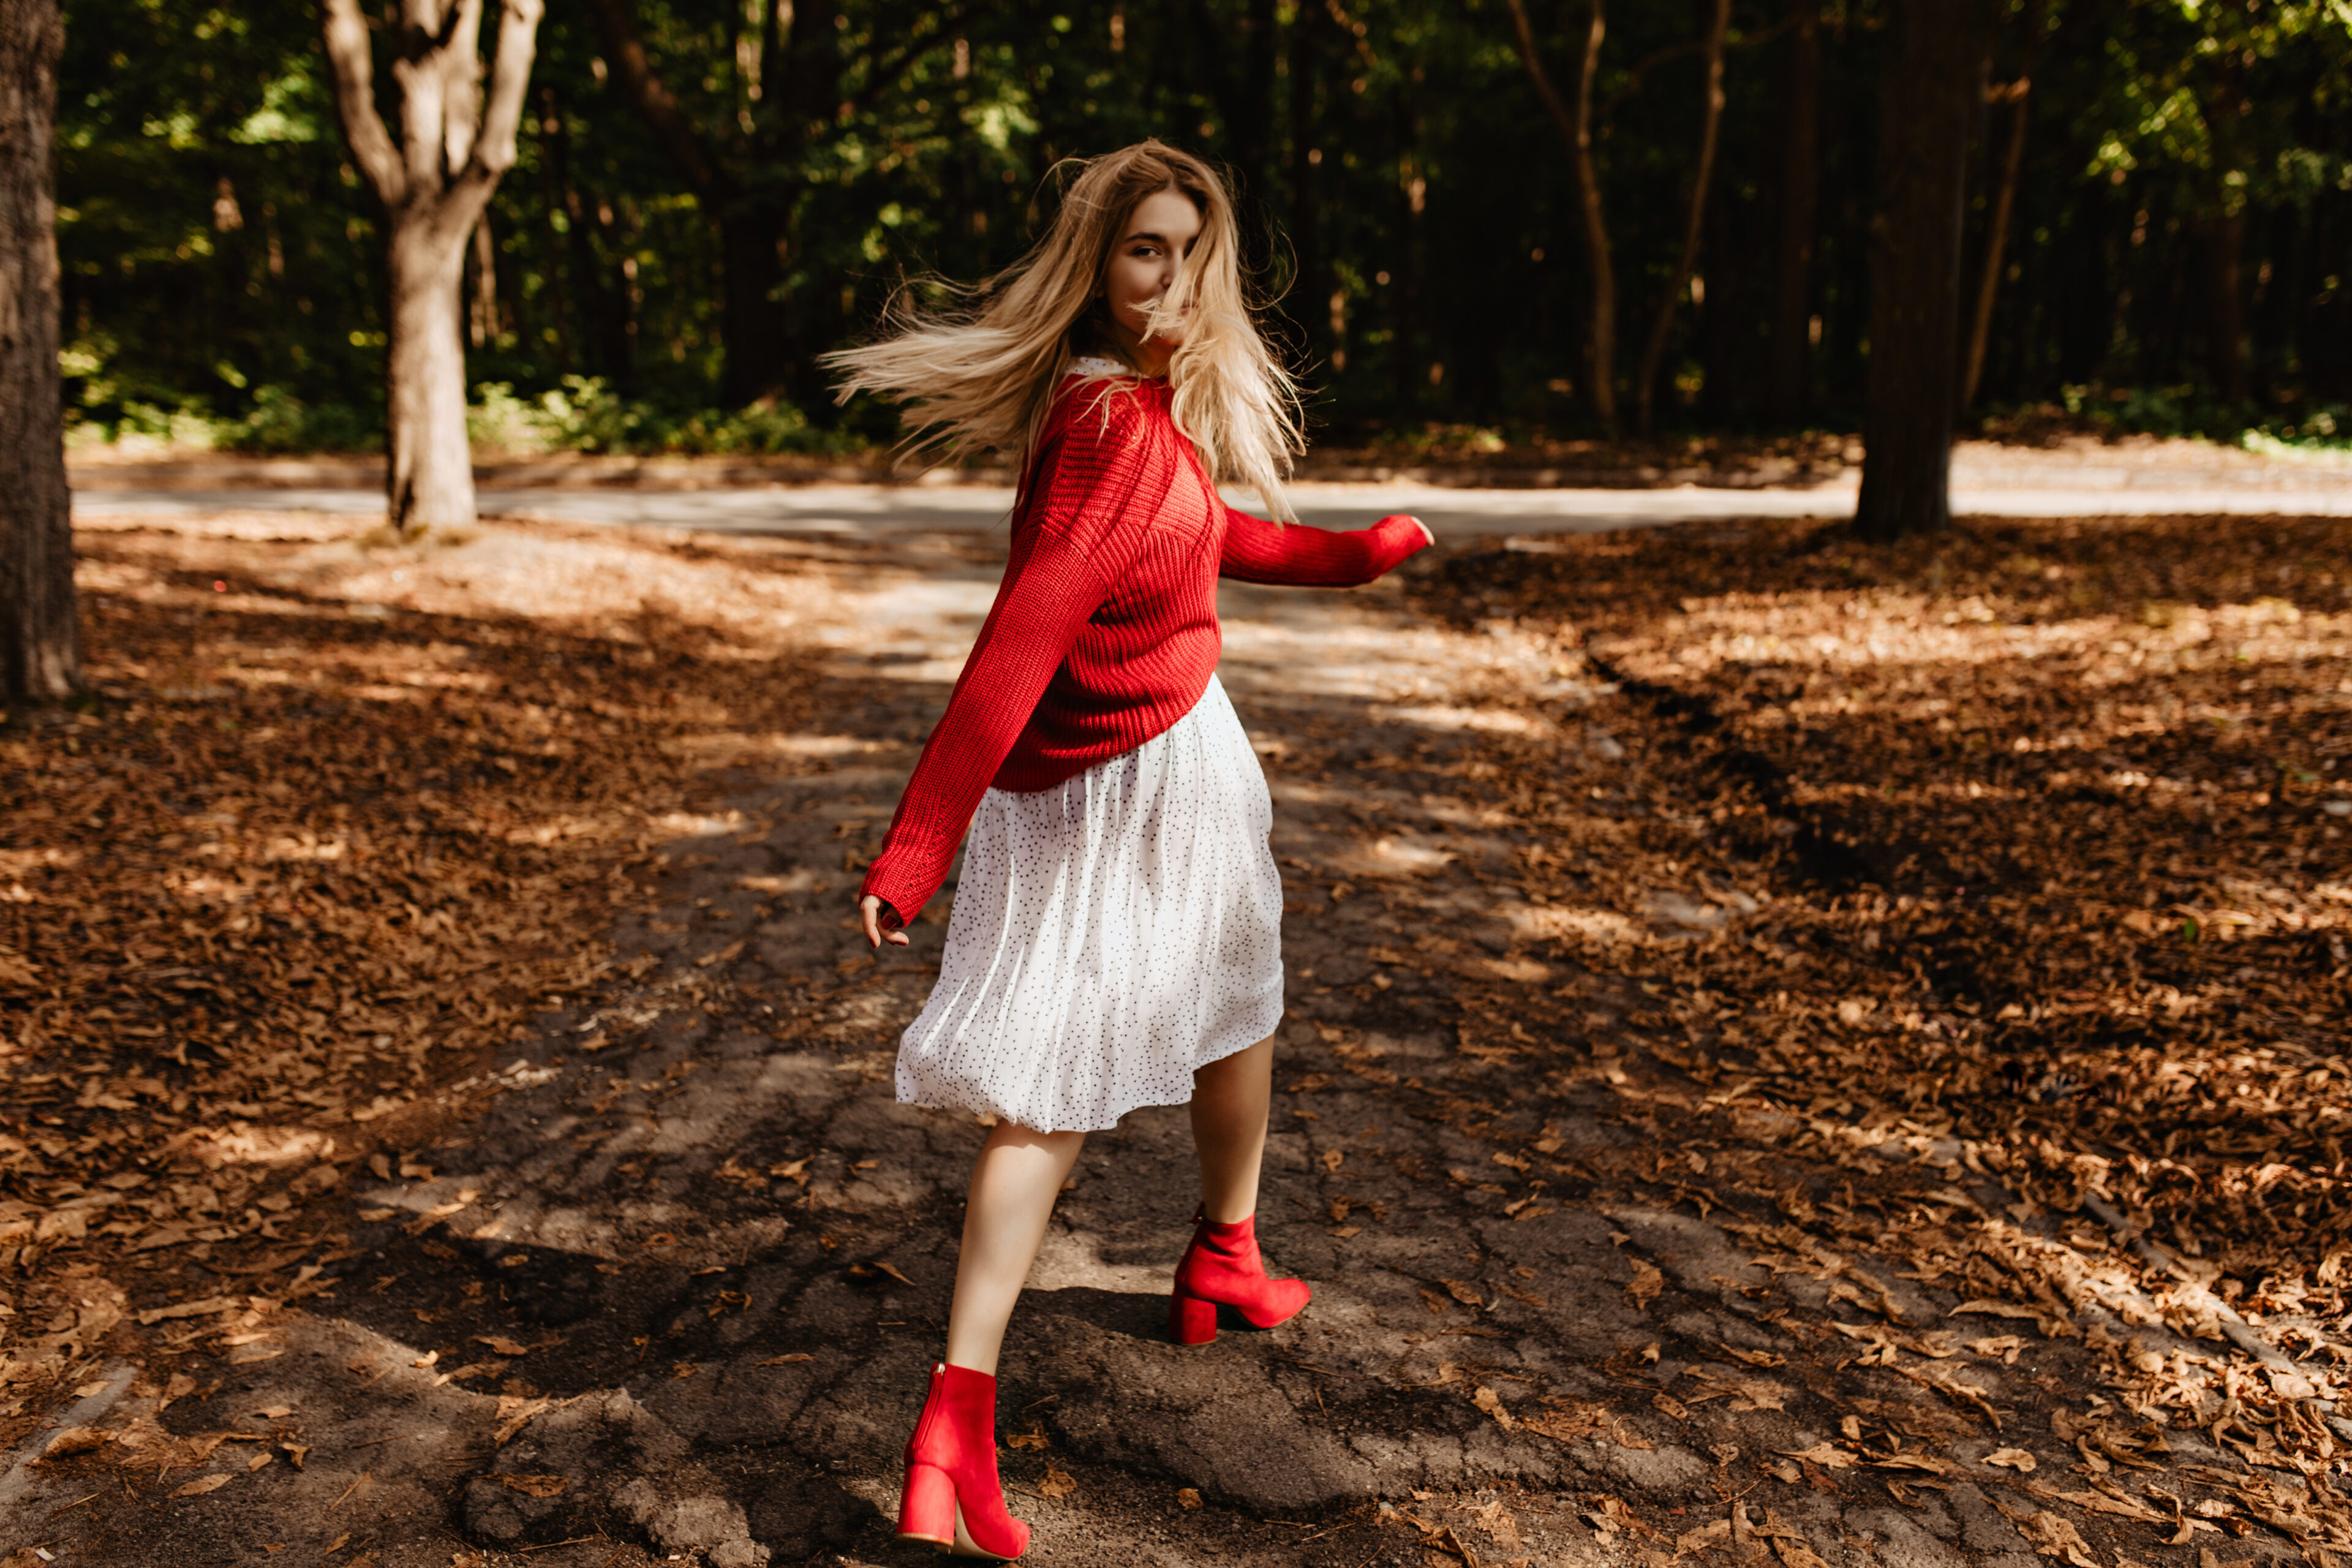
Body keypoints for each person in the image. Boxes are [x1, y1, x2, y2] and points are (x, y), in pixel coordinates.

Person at [822, 139, 1431, 1561]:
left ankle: (1224, 1250)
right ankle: (956, 1409)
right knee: (1052, 1080)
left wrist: (1349, 555)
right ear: (1094, 264)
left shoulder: (1127, 411)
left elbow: (1198, 534)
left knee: (1236, 1002)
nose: (1171, 276)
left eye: (1190, 250)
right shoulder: (1108, 430)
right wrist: (918, 846)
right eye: (1146, 248)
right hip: (1126, 782)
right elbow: (1021, 636)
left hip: (1156, 767)